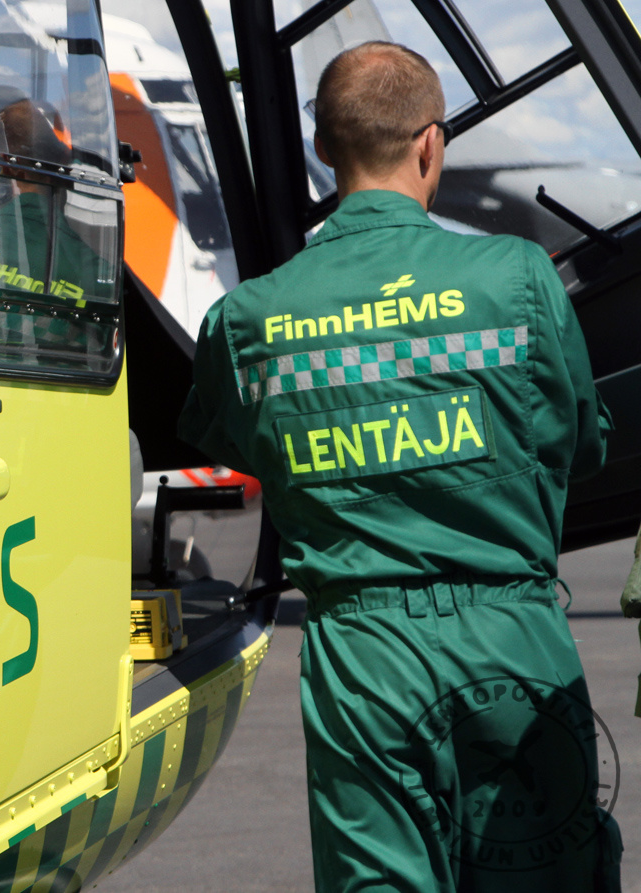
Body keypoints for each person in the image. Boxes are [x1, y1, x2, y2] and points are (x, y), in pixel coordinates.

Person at [179, 41, 619, 892]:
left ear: (322, 149)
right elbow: (581, 440)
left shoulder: (247, 320)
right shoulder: (519, 279)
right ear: (430, 144)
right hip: (511, 636)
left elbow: (232, 439)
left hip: (363, 655)